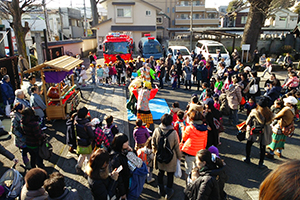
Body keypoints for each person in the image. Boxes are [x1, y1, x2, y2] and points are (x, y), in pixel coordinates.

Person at [152, 114, 181, 199]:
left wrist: (156, 151)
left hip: (160, 155)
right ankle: (169, 191)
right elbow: (176, 146)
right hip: (171, 157)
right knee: (170, 175)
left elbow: (153, 142)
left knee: (160, 172)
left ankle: (160, 188)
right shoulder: (173, 132)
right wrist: (179, 156)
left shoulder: (157, 130)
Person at [243, 97, 273, 168]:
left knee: (249, 144)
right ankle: (261, 163)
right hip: (264, 131)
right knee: (262, 147)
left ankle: (247, 158)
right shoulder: (269, 113)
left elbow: (248, 122)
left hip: (254, 130)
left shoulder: (254, 112)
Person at [180, 110, 208, 180]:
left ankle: (189, 184)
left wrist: (183, 128)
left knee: (188, 169)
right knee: (197, 169)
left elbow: (184, 137)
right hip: (199, 151)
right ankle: (196, 183)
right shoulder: (205, 129)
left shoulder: (189, 128)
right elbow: (205, 141)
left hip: (189, 151)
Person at [110, 133, 132, 200]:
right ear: (120, 144)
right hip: (122, 185)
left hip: (127, 180)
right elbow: (119, 178)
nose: (127, 143)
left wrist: (132, 151)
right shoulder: (116, 158)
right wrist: (123, 193)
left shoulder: (123, 151)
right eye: (125, 142)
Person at [74, 107, 94, 175]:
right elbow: (92, 135)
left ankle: (78, 167)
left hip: (80, 141)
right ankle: (86, 171)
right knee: (89, 157)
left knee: (82, 155)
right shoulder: (86, 124)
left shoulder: (76, 121)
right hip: (87, 142)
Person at [10, 103, 30, 168]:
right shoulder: (15, 118)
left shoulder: (21, 115)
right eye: (23, 108)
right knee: (24, 151)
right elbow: (13, 130)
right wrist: (21, 135)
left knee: (27, 149)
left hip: (25, 137)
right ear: (19, 110)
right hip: (21, 139)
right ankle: (27, 163)